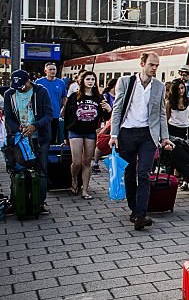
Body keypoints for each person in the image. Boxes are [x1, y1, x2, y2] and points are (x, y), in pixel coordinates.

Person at [110, 52, 174, 231]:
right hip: (127, 133)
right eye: (152, 65)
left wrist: (165, 137)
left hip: (148, 135)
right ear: (142, 63)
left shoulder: (159, 86)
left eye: (157, 65)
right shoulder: (125, 82)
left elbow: (161, 113)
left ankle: (140, 214)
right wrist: (114, 135)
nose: (154, 68)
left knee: (144, 173)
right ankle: (133, 209)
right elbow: (117, 109)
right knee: (129, 173)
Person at [3, 70, 54, 213]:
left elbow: (49, 114)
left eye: (22, 86)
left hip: (40, 137)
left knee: (41, 169)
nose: (20, 89)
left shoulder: (41, 92)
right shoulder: (9, 94)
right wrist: (17, 128)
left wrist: (35, 126)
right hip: (20, 138)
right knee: (18, 169)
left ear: (28, 81)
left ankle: (40, 202)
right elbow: (8, 117)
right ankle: (18, 200)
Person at [63, 71, 111, 199]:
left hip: (90, 132)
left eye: (93, 79)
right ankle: (74, 179)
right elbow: (67, 117)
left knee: (87, 162)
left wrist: (109, 109)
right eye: (88, 79)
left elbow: (105, 117)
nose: (90, 81)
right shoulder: (74, 97)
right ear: (82, 81)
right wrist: (65, 135)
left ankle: (85, 189)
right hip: (75, 131)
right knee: (77, 162)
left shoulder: (99, 98)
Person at [36, 61, 67, 140]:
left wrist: (63, 110)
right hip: (42, 114)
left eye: (54, 69)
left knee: (53, 136)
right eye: (50, 69)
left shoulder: (61, 83)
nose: (53, 71)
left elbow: (64, 98)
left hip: (55, 114)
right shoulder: (38, 82)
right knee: (42, 136)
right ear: (45, 71)